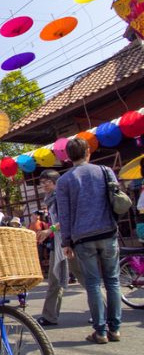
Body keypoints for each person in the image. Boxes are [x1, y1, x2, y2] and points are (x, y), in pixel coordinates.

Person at [57, 137, 122, 344]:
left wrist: (66, 242)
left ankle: (100, 331)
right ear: (88, 152)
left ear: (68, 156)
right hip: (108, 231)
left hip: (82, 237)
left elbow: (64, 215)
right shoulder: (105, 171)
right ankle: (116, 328)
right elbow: (117, 197)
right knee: (112, 280)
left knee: (93, 283)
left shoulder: (64, 181)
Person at [35, 169, 93, 326]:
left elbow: (66, 220)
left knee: (84, 278)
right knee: (55, 279)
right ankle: (49, 315)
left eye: (47, 182)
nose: (44, 186)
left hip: (71, 243)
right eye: (42, 183)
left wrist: (49, 230)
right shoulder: (50, 199)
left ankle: (102, 311)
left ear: (56, 183)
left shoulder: (61, 198)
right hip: (59, 244)